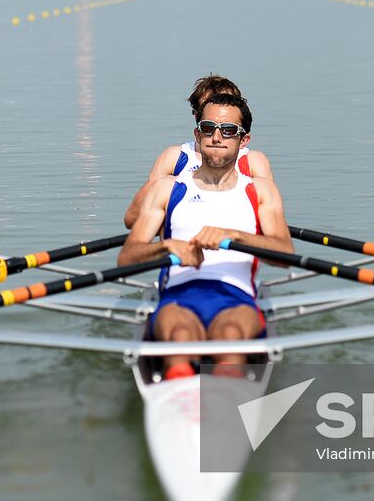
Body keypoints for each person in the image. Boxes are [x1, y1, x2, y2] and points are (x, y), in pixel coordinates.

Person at [118, 91, 294, 379]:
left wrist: (233, 236)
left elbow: (285, 255)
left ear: (243, 140)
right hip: (178, 297)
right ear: (197, 134)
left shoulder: (260, 191)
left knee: (230, 334)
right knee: (180, 336)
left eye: (228, 131)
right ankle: (181, 398)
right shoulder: (166, 188)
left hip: (236, 298)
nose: (217, 137)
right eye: (208, 128)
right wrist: (168, 248)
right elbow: (127, 257)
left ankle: (223, 399)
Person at [122, 74, 274, 230]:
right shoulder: (174, 157)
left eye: (225, 105)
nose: (217, 115)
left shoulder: (254, 161)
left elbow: (269, 221)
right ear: (196, 114)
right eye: (207, 110)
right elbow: (133, 219)